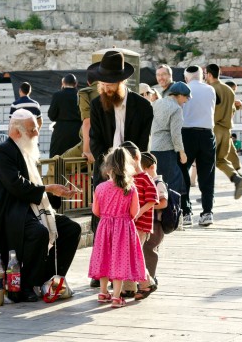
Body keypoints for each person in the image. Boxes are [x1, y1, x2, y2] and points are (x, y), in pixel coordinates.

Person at [0, 109, 81, 302]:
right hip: (10, 211)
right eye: (32, 130)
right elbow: (17, 186)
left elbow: (35, 187)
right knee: (38, 233)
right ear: (16, 132)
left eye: (36, 129)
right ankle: (25, 285)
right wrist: (49, 188)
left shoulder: (26, 152)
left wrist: (55, 192)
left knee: (71, 229)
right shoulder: (3, 152)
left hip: (31, 208)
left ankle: (48, 277)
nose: (36, 134)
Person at [88, 50, 153, 286]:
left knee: (129, 224)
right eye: (102, 82)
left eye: (109, 83)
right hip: (106, 173)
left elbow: (143, 147)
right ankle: (101, 274)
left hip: (131, 174)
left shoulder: (143, 107)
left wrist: (129, 169)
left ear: (121, 81)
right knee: (101, 224)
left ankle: (129, 273)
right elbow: (94, 140)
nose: (104, 87)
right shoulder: (97, 105)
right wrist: (108, 168)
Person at [88, 147, 146, 309]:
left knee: (104, 258)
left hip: (104, 227)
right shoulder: (130, 189)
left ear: (107, 168)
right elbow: (134, 212)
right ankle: (116, 297)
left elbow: (96, 211)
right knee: (119, 260)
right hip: (123, 228)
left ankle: (103, 292)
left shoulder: (100, 188)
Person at [120, 141, 158, 300]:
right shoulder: (131, 178)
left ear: (136, 158)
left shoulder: (145, 178)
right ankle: (128, 287)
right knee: (129, 254)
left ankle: (147, 283)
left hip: (141, 225)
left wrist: (138, 213)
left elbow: (152, 199)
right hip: (132, 224)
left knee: (134, 256)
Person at [181, 65, 216, 226]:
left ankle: (186, 212)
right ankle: (207, 211)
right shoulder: (210, 90)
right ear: (202, 76)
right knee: (207, 174)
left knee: (183, 172)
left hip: (186, 133)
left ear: (186, 77)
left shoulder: (183, 89)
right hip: (206, 133)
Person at [206, 63, 242, 198]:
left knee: (207, 162)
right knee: (221, 160)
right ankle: (236, 178)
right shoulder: (229, 90)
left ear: (209, 74)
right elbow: (233, 109)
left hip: (214, 128)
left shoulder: (210, 89)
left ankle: (208, 193)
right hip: (227, 130)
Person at [150, 81, 189, 200]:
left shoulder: (156, 103)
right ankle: (171, 213)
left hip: (154, 147)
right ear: (180, 95)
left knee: (158, 182)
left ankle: (160, 213)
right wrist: (182, 152)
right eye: (186, 97)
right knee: (173, 183)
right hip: (167, 150)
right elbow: (176, 134)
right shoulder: (176, 109)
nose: (186, 101)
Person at [140, 152, 168, 287]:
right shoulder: (148, 181)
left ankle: (150, 277)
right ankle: (144, 277)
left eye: (142, 169)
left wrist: (148, 204)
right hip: (148, 222)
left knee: (149, 250)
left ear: (151, 167)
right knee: (144, 248)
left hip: (156, 224)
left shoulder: (158, 183)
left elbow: (163, 203)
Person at [60, 72, 99, 163]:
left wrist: (86, 151)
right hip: (78, 130)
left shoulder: (85, 92)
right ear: (76, 83)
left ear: (88, 82)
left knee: (56, 164)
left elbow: (87, 122)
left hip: (64, 132)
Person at [48, 74, 81, 157]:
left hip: (61, 132)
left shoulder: (57, 95)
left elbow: (51, 115)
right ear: (76, 83)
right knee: (77, 159)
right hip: (78, 130)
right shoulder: (81, 95)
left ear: (63, 83)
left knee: (57, 158)